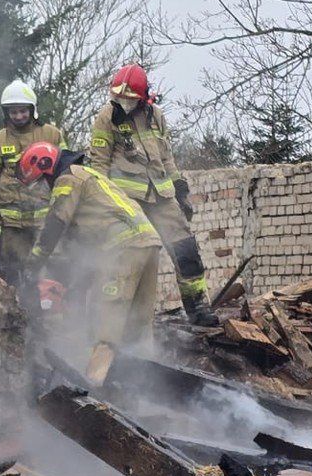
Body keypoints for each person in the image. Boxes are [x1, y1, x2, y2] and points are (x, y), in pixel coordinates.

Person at [20, 140, 164, 386]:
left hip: (122, 249)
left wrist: (32, 267)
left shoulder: (67, 179)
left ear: (46, 167)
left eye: (41, 181)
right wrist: (76, 284)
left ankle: (94, 392)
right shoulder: (89, 177)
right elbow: (82, 247)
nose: (44, 189)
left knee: (105, 325)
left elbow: (55, 224)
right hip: (148, 244)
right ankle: (143, 388)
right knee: (138, 326)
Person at [88, 64, 217, 327]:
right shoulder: (106, 117)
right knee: (131, 257)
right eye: (119, 97)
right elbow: (98, 166)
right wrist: (105, 205)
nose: (123, 102)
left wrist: (180, 189)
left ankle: (198, 307)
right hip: (127, 202)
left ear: (143, 97)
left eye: (129, 98)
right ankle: (121, 319)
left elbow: (166, 157)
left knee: (186, 250)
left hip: (161, 197)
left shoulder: (156, 115)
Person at [0, 79, 64, 290]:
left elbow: (66, 172)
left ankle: (53, 315)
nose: (18, 116)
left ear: (32, 109)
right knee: (16, 273)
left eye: (22, 111)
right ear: (6, 113)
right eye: (13, 112)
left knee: (53, 269)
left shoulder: (52, 134)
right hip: (12, 225)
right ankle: (21, 316)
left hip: (46, 219)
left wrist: (66, 210)